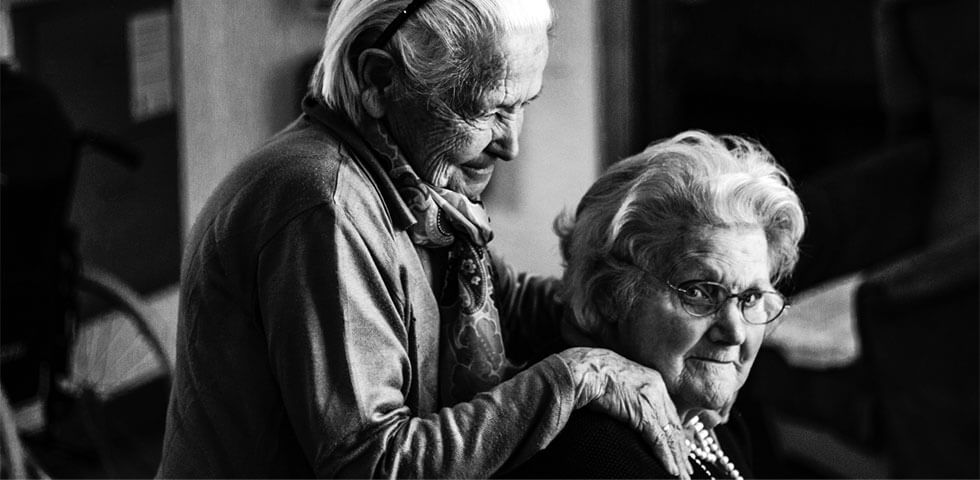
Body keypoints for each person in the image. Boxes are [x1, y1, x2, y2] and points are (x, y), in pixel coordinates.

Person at [158, 0, 692, 477]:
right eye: (489, 110)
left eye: (524, 105)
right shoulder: (326, 205)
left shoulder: (416, 190)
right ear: (378, 81)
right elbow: (373, 464)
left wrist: (670, 310)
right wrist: (575, 377)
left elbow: (512, 304)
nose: (511, 146)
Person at [506, 131, 806, 478]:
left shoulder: (712, 418)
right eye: (700, 292)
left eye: (751, 298)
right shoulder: (592, 450)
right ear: (609, 296)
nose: (735, 332)